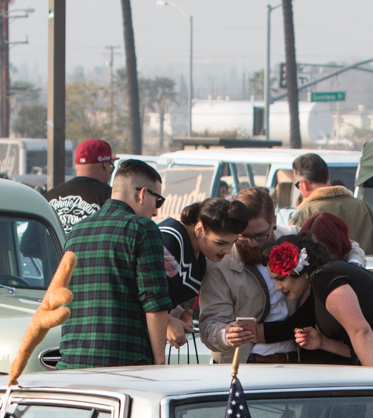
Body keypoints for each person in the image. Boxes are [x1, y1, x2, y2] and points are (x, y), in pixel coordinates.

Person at [57, 158, 172, 368]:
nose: (156, 211)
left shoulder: (77, 231)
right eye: (158, 201)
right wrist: (159, 362)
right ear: (142, 194)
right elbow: (154, 301)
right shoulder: (143, 228)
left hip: (72, 361)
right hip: (124, 363)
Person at [266, 231, 373, 368]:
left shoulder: (325, 277)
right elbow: (359, 343)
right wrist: (323, 342)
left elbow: (362, 332)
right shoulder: (324, 278)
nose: (277, 287)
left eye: (281, 279)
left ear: (299, 269)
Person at [198, 188, 299, 365]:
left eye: (260, 235)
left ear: (274, 222)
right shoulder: (219, 263)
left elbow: (345, 247)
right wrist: (225, 335)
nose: (252, 243)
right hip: (244, 363)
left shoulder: (294, 239)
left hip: (297, 360)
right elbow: (210, 324)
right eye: (243, 236)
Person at [160, 196, 247, 348]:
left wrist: (176, 314)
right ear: (199, 229)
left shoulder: (199, 257)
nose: (227, 250)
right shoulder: (169, 240)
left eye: (232, 243)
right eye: (220, 243)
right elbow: (138, 290)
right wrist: (167, 321)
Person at [291, 153, 373, 256]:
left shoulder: (303, 214)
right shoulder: (364, 207)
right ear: (327, 177)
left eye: (297, 184)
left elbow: (293, 257)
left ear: (303, 184)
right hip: (365, 265)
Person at [46, 138, 115, 231]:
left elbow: (32, 236)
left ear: (76, 167)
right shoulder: (111, 197)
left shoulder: (49, 197)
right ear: (105, 165)